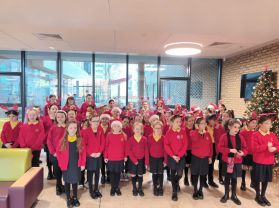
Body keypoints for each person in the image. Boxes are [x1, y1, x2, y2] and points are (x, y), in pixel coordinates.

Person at [56, 121, 86, 208]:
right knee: (67, 181)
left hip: (76, 164)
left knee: (75, 181)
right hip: (66, 165)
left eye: (75, 128)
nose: (73, 130)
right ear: (67, 129)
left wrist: (83, 163)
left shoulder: (80, 140)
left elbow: (83, 153)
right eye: (71, 128)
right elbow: (58, 153)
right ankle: (68, 198)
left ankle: (75, 197)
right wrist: (61, 163)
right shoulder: (63, 141)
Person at [252, 115, 279, 206]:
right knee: (258, 179)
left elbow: (277, 146)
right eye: (267, 123)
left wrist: (274, 148)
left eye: (270, 123)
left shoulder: (272, 135)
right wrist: (266, 146)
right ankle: (257, 195)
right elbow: (254, 148)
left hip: (269, 161)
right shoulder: (255, 135)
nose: (269, 125)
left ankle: (263, 195)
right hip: (259, 161)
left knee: (265, 179)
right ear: (260, 124)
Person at [219, 119, 247, 205]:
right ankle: (226, 194)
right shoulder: (224, 137)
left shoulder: (241, 137)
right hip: (228, 161)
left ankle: (234, 195)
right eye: (235, 127)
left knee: (234, 178)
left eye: (238, 127)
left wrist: (243, 153)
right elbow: (219, 148)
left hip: (237, 161)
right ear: (229, 127)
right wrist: (230, 150)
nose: (237, 129)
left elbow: (245, 148)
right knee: (227, 178)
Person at [164, 114, 188, 201]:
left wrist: (179, 155)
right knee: (172, 173)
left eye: (180, 121)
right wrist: (173, 155)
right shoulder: (169, 132)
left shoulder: (183, 131)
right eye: (177, 122)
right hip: (172, 157)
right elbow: (166, 145)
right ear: (172, 123)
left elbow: (185, 144)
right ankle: (174, 192)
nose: (179, 123)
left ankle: (176, 182)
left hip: (180, 157)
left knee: (180, 174)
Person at [81, 116, 105, 199]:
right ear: (90, 122)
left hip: (98, 155)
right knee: (90, 174)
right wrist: (90, 153)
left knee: (98, 173)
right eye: (94, 121)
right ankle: (91, 190)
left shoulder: (100, 130)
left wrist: (100, 152)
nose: (96, 123)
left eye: (98, 121)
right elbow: (84, 144)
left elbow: (103, 142)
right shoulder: (86, 131)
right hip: (90, 156)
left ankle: (96, 189)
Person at [191, 117, 212, 200]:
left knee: (203, 175)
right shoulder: (193, 133)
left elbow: (210, 146)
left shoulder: (207, 134)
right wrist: (198, 131)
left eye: (205, 123)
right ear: (197, 125)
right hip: (196, 158)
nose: (204, 125)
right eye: (202, 123)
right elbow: (194, 140)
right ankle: (195, 190)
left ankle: (200, 190)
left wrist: (210, 157)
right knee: (195, 174)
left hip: (205, 158)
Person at [104, 120, 127, 196]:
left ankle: (117, 187)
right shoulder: (109, 135)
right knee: (112, 173)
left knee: (118, 173)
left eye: (118, 126)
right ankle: (112, 187)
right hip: (111, 158)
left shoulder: (123, 135)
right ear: (112, 127)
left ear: (120, 127)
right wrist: (105, 156)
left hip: (120, 158)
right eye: (114, 126)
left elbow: (125, 147)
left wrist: (125, 156)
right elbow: (106, 146)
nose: (116, 127)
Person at [47, 110, 67, 195]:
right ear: (56, 118)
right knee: (57, 172)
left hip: (66, 154)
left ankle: (66, 186)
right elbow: (49, 141)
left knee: (65, 171)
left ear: (65, 117)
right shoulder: (53, 128)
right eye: (58, 117)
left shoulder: (68, 127)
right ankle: (58, 186)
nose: (60, 118)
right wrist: (53, 152)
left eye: (62, 116)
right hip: (55, 154)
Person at [127, 122, 149, 196]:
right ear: (133, 130)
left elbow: (146, 150)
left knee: (140, 175)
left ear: (142, 130)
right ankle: (134, 188)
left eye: (139, 129)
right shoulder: (130, 139)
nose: (138, 130)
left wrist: (146, 162)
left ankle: (140, 188)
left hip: (141, 160)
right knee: (133, 174)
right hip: (133, 161)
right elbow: (129, 150)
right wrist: (134, 160)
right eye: (136, 129)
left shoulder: (144, 139)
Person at [148, 120, 166, 196]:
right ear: (153, 128)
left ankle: (161, 187)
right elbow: (148, 149)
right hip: (153, 158)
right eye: (156, 128)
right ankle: (155, 187)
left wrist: (165, 160)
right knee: (154, 173)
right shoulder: (149, 137)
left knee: (160, 173)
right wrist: (148, 162)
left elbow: (165, 150)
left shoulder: (163, 137)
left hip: (161, 159)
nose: (158, 130)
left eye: (159, 128)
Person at [240, 116, 257, 191]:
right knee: (244, 168)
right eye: (253, 123)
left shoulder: (255, 132)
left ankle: (252, 182)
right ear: (248, 123)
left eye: (255, 123)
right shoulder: (243, 132)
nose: (254, 124)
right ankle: (243, 183)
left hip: (253, 154)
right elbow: (240, 143)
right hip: (245, 153)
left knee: (252, 168)